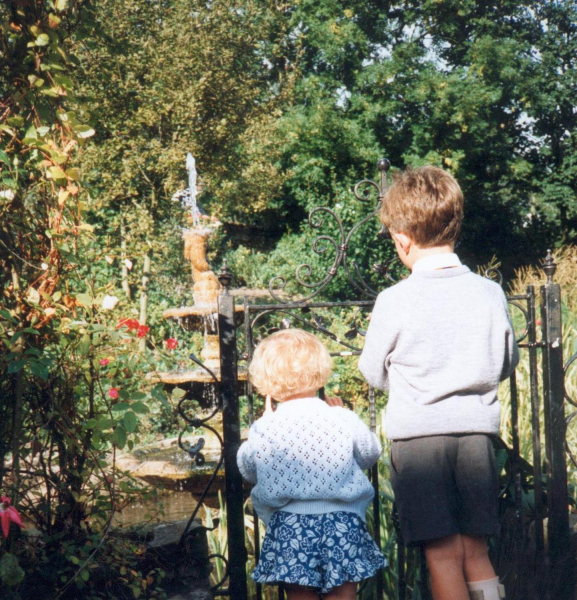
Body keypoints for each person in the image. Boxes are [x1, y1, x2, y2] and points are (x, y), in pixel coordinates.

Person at [358, 166, 518, 600]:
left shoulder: (394, 300)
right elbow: (507, 361)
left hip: (419, 442)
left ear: (402, 238)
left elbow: (372, 372)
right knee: (476, 548)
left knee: (442, 554)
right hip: (476, 438)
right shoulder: (490, 293)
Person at [237, 328, 387, 600]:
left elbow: (248, 469)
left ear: (266, 379)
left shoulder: (267, 426)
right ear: (319, 370)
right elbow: (370, 453)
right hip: (342, 521)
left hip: (290, 524)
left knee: (299, 596)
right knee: (343, 594)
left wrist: (263, 425)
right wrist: (342, 413)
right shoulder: (341, 418)